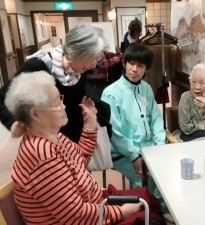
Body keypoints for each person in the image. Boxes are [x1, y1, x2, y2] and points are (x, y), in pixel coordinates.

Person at [5, 71, 166, 225]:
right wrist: (122, 212)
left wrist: (89, 126)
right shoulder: (42, 156)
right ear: (35, 114)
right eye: (56, 102)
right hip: (82, 218)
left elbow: (79, 160)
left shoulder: (53, 137)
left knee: (149, 201)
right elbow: (75, 215)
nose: (64, 106)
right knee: (150, 214)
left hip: (91, 206)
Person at [0, 24, 112, 142]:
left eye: (97, 59)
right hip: (47, 144)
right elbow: (2, 97)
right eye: (92, 58)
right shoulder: (38, 66)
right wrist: (12, 123)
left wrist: (85, 105)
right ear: (77, 53)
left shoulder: (79, 70)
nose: (94, 65)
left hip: (72, 142)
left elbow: (73, 98)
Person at [101, 43, 166, 188]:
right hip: (122, 153)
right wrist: (134, 155)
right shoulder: (111, 93)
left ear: (147, 69)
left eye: (141, 66)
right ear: (124, 63)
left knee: (167, 171)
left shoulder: (146, 88)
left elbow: (156, 118)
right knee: (150, 178)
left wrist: (160, 144)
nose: (135, 70)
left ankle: (158, 209)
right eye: (131, 63)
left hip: (147, 147)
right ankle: (147, 208)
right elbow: (114, 133)